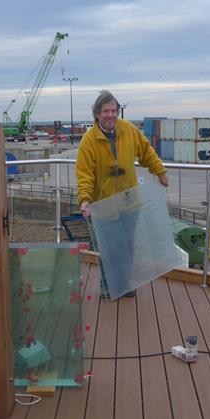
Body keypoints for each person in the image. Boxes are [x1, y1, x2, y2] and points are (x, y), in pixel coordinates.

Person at [76, 90, 169, 297]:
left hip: (129, 203)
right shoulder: (89, 141)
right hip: (104, 206)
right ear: (97, 114)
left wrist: (160, 172)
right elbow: (84, 175)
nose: (110, 115)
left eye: (113, 110)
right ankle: (109, 287)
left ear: (118, 112)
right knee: (108, 251)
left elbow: (147, 152)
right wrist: (84, 200)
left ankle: (125, 285)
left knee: (127, 247)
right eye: (106, 111)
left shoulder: (129, 130)